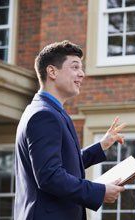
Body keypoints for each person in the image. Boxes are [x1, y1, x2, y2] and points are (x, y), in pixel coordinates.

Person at [14, 40, 125, 220]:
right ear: (52, 72)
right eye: (75, 67)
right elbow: (50, 176)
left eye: (81, 68)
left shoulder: (49, 111)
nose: (81, 74)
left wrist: (101, 145)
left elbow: (62, 165)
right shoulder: (44, 115)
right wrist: (99, 191)